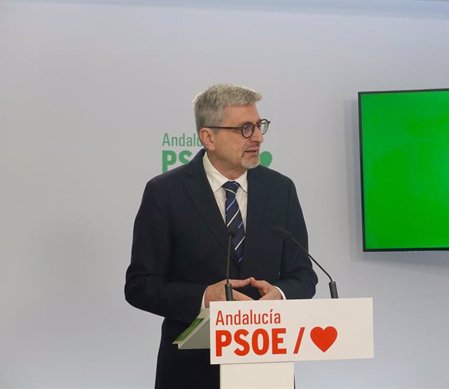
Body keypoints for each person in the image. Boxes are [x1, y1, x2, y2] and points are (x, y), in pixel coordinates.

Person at [125, 83, 318, 388]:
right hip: (191, 371)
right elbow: (140, 286)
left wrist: (278, 295)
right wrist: (204, 298)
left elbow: (303, 276)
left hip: (266, 365)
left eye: (258, 125)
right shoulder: (165, 193)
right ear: (208, 137)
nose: (258, 137)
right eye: (244, 128)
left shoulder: (280, 190)